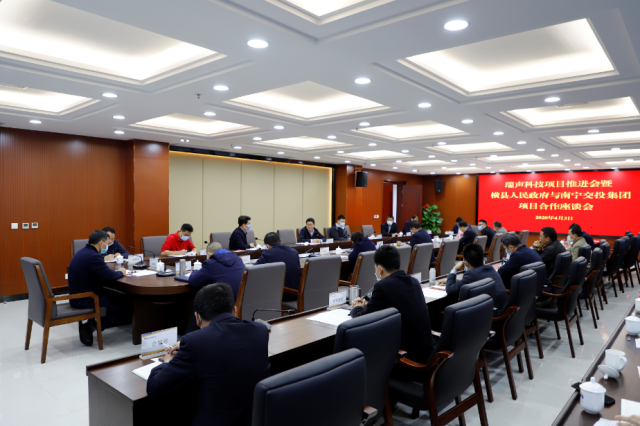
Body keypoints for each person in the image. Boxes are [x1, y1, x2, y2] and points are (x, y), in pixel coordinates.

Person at [147, 283, 270, 426]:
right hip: (254, 419)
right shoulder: (260, 331)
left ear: (197, 318)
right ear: (235, 310)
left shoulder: (195, 342)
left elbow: (155, 388)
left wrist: (168, 361)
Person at [350, 245, 435, 362]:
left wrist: (357, 308)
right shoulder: (413, 281)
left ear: (379, 269)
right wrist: (367, 305)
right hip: (427, 352)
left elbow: (362, 319)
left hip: (408, 358)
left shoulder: (383, 286)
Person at [68, 229, 130, 346]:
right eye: (106, 243)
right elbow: (110, 275)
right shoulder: (93, 256)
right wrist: (121, 272)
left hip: (77, 295)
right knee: (122, 308)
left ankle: (92, 323)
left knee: (117, 297)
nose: (107, 246)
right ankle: (90, 326)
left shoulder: (83, 252)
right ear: (101, 243)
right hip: (85, 298)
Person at [445, 244, 507, 311]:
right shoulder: (489, 268)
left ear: (466, 263)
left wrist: (454, 269)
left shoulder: (471, 274)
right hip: (501, 310)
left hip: (491, 313)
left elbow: (450, 290)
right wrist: (454, 281)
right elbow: (465, 282)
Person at [255, 232, 301, 301]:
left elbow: (253, 270)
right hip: (297, 292)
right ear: (281, 241)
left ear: (267, 245)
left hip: (279, 295)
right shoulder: (294, 251)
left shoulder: (267, 254)